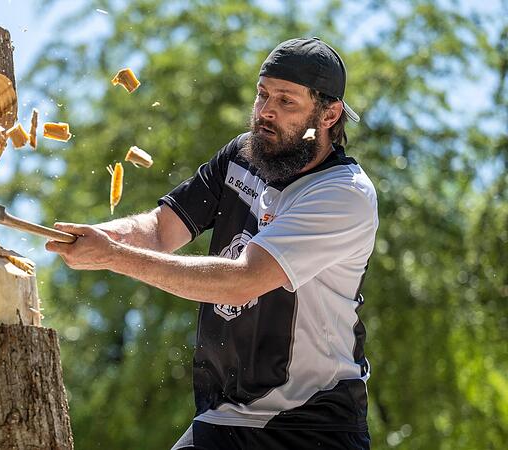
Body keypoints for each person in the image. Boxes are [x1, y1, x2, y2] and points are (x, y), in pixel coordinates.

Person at [45, 37, 377, 450]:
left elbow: (244, 279)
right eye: (262, 95)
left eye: (286, 102)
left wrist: (113, 256)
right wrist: (97, 238)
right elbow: (161, 230)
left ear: (328, 115)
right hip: (225, 416)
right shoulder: (240, 155)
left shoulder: (342, 194)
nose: (265, 112)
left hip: (311, 427)